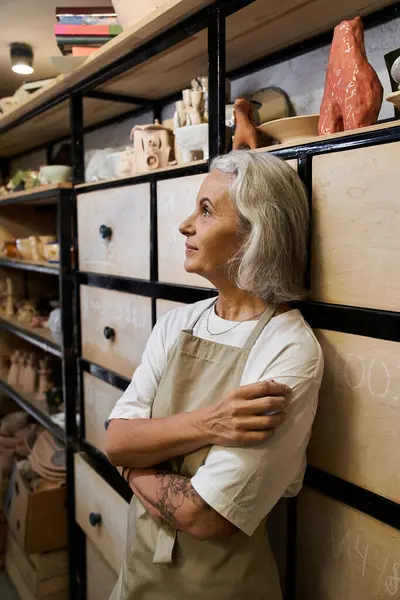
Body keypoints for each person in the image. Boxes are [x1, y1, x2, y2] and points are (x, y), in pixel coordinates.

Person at [106, 150, 324, 600]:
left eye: (205, 211)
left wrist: (133, 464)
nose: (186, 224)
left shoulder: (288, 348)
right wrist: (209, 422)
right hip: (138, 579)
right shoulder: (176, 323)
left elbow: (205, 515)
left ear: (254, 235)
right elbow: (116, 440)